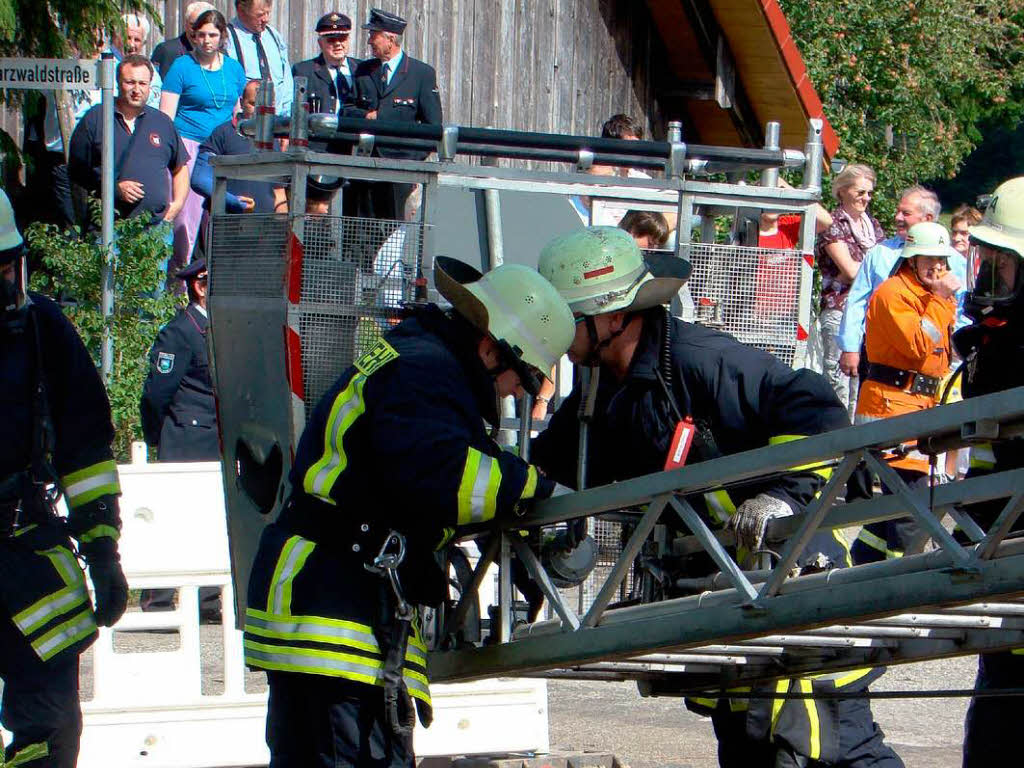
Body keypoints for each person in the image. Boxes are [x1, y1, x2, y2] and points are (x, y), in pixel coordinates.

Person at [531, 226, 902, 768]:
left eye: (567, 315)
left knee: (826, 748)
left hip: (793, 577)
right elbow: (548, 467)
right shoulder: (601, 390)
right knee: (753, 747)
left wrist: (783, 496)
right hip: (732, 596)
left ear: (612, 317)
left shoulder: (699, 360)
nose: (555, 330)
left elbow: (816, 409)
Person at [242, 256, 574, 767]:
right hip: (337, 608)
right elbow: (443, 478)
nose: (514, 393)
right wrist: (538, 485)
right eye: (520, 377)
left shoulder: (416, 359)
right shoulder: (428, 370)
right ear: (489, 349)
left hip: (326, 600)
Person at [0, 188, 128, 767]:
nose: (5, 282)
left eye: (8, 266)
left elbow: (87, 447)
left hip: (27, 562)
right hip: (24, 563)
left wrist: (103, 550)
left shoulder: (38, 328)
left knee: (50, 732)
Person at [951, 177, 1024, 767]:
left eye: (1004, 266)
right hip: (1003, 556)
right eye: (989, 262)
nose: (990, 279)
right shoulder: (996, 346)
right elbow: (985, 459)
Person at [850, 223, 960, 564]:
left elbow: (941, 352)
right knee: (911, 506)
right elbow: (915, 346)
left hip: (917, 405)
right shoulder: (893, 294)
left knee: (897, 505)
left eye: (941, 259)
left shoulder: (931, 297)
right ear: (911, 260)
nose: (937, 267)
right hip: (892, 407)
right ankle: (901, 575)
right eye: (928, 259)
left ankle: (864, 564)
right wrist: (941, 300)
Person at [138, 258, 222, 618]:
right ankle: (157, 600)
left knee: (206, 519)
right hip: (186, 438)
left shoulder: (217, 329)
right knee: (174, 519)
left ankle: (205, 600)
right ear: (199, 287)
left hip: (213, 438)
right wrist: (159, 437)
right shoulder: (180, 331)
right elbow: (156, 394)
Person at [836, 185, 958, 380]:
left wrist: (956, 353)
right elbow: (858, 301)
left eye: (906, 213)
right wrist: (850, 347)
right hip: (882, 362)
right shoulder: (880, 253)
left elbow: (960, 311)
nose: (898, 217)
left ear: (927, 219)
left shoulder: (954, 260)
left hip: (932, 365)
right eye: (898, 211)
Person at [68, 54, 189, 241]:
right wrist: (113, 188)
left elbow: (180, 167)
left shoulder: (162, 122)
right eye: (130, 82)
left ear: (150, 85)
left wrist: (177, 205)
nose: (136, 90)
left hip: (155, 232)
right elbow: (77, 174)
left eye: (142, 83)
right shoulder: (96, 118)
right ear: (118, 83)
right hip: (108, 230)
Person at [162, 8, 247, 270]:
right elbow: (166, 115)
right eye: (201, 35)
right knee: (185, 222)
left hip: (221, 151)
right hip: (187, 145)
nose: (206, 40)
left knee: (219, 217)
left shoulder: (233, 69)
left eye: (212, 34)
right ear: (193, 36)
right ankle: (177, 290)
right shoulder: (182, 66)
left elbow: (238, 112)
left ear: (222, 36)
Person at [347, 8, 443, 221]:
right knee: (362, 235)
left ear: (390, 39)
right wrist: (366, 117)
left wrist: (411, 159)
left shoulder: (421, 74)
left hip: (400, 171)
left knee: (396, 233)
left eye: (374, 35)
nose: (369, 41)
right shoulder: (363, 71)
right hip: (365, 167)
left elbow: (433, 126)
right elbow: (347, 110)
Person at [814, 164, 885, 416]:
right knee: (838, 385)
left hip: (868, 315)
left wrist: (857, 271)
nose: (866, 198)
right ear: (843, 191)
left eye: (869, 193)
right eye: (860, 192)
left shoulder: (873, 226)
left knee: (864, 383)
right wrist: (861, 271)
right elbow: (853, 272)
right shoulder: (833, 225)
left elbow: (879, 270)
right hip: (839, 310)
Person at [190, 79, 287, 217]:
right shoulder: (223, 133)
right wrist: (234, 202)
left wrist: (282, 228)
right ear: (241, 102)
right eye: (253, 104)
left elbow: (279, 192)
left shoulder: (274, 140)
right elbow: (199, 179)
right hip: (226, 224)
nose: (259, 111)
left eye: (265, 106)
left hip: (265, 228)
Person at [224, 0, 294, 117]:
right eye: (260, 15)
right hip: (244, 123)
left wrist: (287, 118)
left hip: (277, 122)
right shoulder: (227, 38)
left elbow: (286, 82)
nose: (266, 19)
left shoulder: (274, 36)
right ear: (241, 11)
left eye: (268, 13)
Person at [293, 12, 360, 119]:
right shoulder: (304, 71)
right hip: (320, 133)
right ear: (320, 43)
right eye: (331, 40)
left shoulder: (362, 69)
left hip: (353, 133)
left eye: (342, 38)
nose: (338, 44)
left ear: (348, 40)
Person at [151, 2, 217, 80]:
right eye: (193, 25)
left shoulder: (221, 54)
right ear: (185, 25)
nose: (197, 31)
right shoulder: (167, 51)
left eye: (202, 26)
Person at [117, 13, 163, 107]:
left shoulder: (148, 68)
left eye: (137, 40)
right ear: (119, 38)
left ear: (144, 43)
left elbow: (157, 100)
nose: (131, 44)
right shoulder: (107, 63)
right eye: (128, 38)